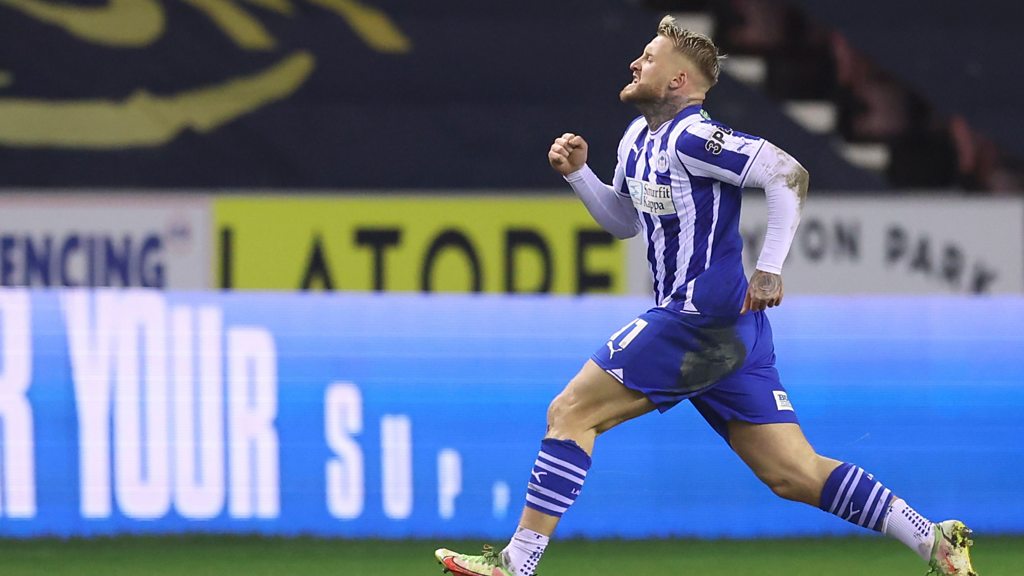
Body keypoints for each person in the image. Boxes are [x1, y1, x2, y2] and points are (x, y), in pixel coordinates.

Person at [434, 15, 977, 576]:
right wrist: (579, 175)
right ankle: (931, 539)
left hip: (699, 316)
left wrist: (769, 268)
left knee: (570, 412)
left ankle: (517, 563)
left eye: (649, 58)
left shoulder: (695, 137)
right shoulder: (636, 138)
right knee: (793, 472)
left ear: (677, 81)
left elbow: (789, 174)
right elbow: (624, 221)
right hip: (727, 332)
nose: (635, 63)